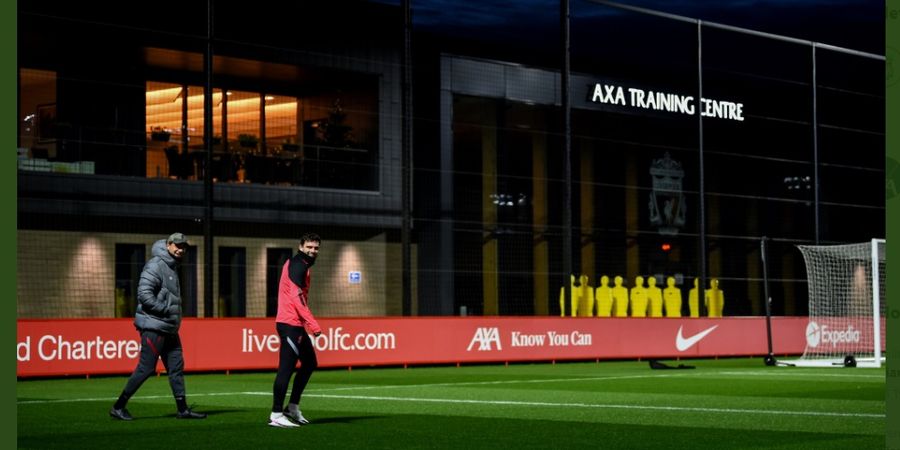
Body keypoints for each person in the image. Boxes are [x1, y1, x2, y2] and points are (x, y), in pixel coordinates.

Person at [109, 233, 206, 421]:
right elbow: (144, 294)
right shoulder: (156, 265)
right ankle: (118, 407)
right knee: (146, 369)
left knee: (176, 367)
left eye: (184, 247)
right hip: (154, 327)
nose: (181, 249)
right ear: (168, 245)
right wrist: (164, 309)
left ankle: (182, 409)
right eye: (177, 245)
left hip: (169, 328)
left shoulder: (171, 266)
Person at [269, 233, 323, 428]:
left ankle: (292, 407)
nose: (312, 251)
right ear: (301, 246)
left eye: (316, 248)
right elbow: (296, 298)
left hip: (295, 324)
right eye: (309, 247)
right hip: (290, 324)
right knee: (286, 368)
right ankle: (276, 413)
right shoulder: (298, 265)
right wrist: (314, 325)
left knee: (309, 363)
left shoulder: (300, 264)